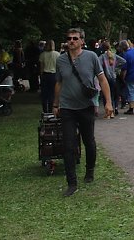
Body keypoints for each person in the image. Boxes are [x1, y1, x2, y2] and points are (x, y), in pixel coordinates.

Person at [53, 27, 112, 197]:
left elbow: (102, 79)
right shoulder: (61, 60)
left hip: (86, 106)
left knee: (89, 141)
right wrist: (55, 104)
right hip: (67, 108)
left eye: (75, 38)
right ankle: (72, 183)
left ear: (82, 41)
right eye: (69, 38)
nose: (71, 41)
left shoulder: (91, 57)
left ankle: (90, 170)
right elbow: (58, 83)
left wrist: (108, 102)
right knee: (69, 145)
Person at [38, 40, 60, 113]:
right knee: (52, 93)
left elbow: (41, 67)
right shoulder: (57, 54)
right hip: (54, 75)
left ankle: (45, 110)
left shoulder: (43, 55)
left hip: (45, 74)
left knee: (44, 93)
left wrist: (41, 76)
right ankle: (51, 109)